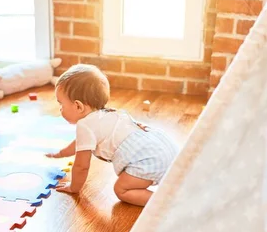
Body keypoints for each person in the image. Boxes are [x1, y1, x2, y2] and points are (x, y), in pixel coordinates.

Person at [46, 64, 178, 207]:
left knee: (121, 189)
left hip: (148, 162)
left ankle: (165, 203)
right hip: (167, 152)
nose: (60, 109)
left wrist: (74, 187)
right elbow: (79, 144)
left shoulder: (85, 126)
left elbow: (81, 166)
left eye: (61, 104)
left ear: (78, 106)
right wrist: (61, 153)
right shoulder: (110, 113)